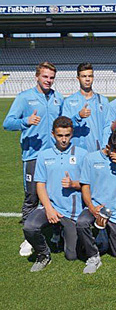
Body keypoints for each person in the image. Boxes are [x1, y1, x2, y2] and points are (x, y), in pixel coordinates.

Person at [3, 62, 63, 256]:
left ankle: (56, 232)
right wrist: (25, 122)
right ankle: (29, 238)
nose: (48, 80)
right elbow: (7, 123)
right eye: (45, 76)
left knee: (55, 195)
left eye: (52, 77)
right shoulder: (24, 98)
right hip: (33, 157)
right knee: (31, 197)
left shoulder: (58, 99)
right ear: (37, 76)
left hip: (54, 157)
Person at [22, 116, 88, 272]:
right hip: (50, 207)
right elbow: (40, 185)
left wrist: (73, 184)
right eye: (60, 135)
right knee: (29, 227)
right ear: (53, 134)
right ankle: (43, 254)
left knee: (72, 255)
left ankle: (62, 233)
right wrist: (49, 209)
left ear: (72, 134)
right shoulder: (43, 155)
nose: (64, 139)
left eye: (67, 135)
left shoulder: (83, 154)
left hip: (72, 211)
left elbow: (88, 185)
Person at [77, 132, 116, 274]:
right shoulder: (90, 159)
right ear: (108, 147)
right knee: (81, 222)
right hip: (97, 207)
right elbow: (85, 186)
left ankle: (103, 237)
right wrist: (92, 208)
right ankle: (93, 256)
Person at [62, 63, 110, 153]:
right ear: (78, 78)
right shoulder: (69, 101)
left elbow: (107, 126)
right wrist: (78, 116)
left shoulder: (103, 101)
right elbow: (64, 126)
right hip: (75, 151)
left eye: (90, 76)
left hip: (96, 150)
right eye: (84, 76)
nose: (87, 79)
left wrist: (104, 145)